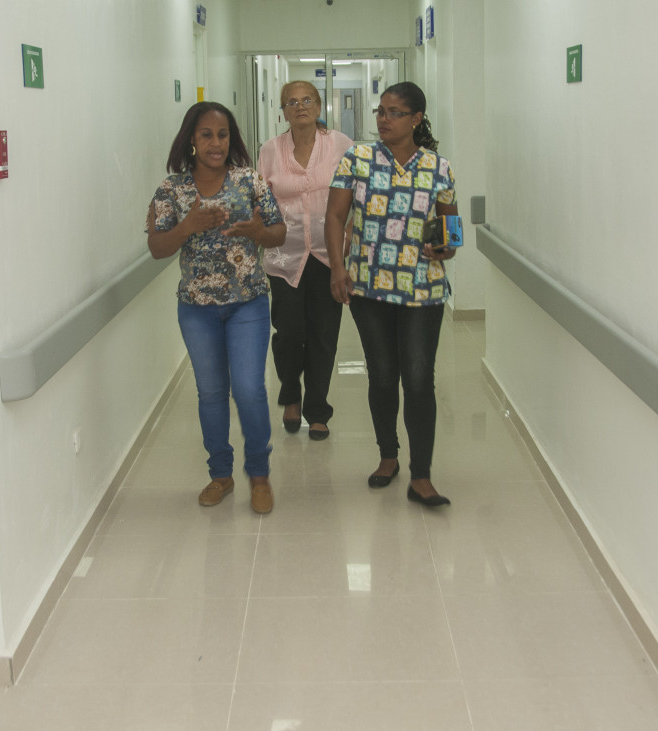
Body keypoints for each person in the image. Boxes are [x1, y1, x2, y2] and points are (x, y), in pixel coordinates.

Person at [146, 101, 287, 513]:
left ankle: (259, 475)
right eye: (206, 135)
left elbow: (279, 232)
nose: (216, 143)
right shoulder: (172, 190)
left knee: (249, 389)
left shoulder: (250, 180)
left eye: (222, 135)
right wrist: (187, 227)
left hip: (248, 303)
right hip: (197, 308)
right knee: (210, 393)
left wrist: (260, 232)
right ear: (191, 140)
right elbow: (157, 247)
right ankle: (220, 475)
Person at [324, 81, 458, 507]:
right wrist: (338, 267)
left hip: (422, 288)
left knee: (418, 378)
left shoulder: (438, 167)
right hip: (369, 287)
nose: (383, 119)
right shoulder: (357, 159)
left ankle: (422, 475)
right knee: (382, 375)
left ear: (416, 119)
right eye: (380, 111)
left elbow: (450, 228)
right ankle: (388, 456)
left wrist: (447, 246)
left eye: (394, 112)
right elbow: (335, 216)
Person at [255, 81, 354, 441]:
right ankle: (290, 394)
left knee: (323, 335)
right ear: (283, 111)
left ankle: (317, 409)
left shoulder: (340, 145)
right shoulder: (270, 150)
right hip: (285, 257)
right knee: (288, 334)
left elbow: (359, 193)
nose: (300, 107)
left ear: (319, 105)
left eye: (307, 100)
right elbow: (261, 200)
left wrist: (350, 236)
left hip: (329, 256)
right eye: (292, 102)